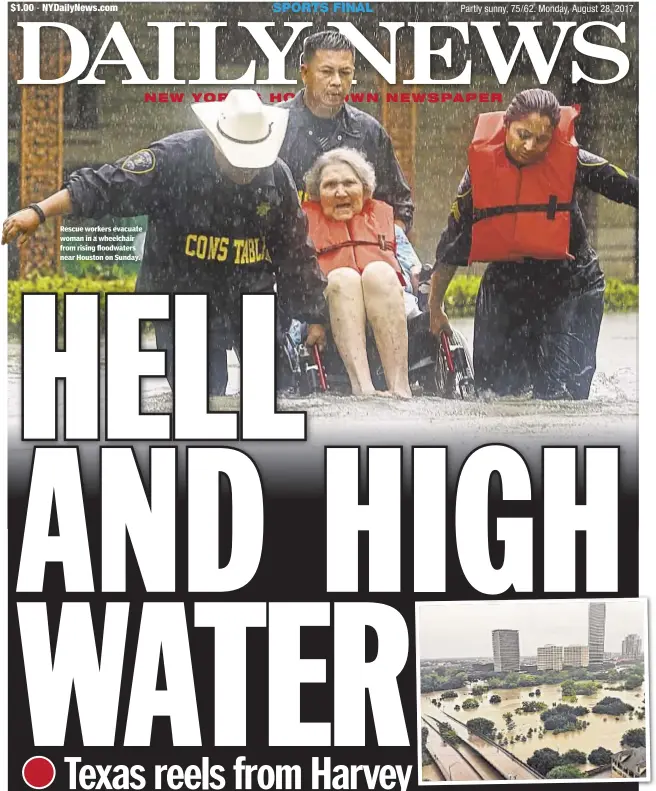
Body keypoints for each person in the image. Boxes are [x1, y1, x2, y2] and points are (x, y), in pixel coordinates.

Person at [2, 90, 327, 396]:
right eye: (237, 158)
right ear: (216, 141)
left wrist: (313, 315)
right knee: (199, 399)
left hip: (251, 297)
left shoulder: (278, 176)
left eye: (252, 159)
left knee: (279, 391)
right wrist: (38, 212)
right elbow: (103, 185)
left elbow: (295, 252)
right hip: (183, 297)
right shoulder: (172, 160)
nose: (245, 168)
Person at [428, 88, 638, 400]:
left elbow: (631, 189)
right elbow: (451, 242)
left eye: (541, 139)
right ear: (506, 126)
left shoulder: (573, 159)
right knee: (494, 396)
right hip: (507, 288)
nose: (530, 146)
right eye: (523, 135)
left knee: (561, 397)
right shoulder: (479, 176)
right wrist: (435, 306)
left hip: (572, 284)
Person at [303, 147, 414, 398]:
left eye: (348, 183)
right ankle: (363, 388)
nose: (340, 192)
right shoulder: (303, 233)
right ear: (317, 195)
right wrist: (312, 319)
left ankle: (400, 388)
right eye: (330, 185)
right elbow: (296, 280)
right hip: (328, 308)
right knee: (344, 277)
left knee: (378, 272)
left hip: (390, 302)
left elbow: (412, 271)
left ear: (365, 190)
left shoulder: (388, 226)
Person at [279, 30, 415, 233]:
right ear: (305, 73)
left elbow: (401, 205)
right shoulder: (275, 125)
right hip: (288, 255)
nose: (336, 81)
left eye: (345, 72)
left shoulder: (369, 132)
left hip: (355, 256)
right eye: (326, 72)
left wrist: (385, 248)